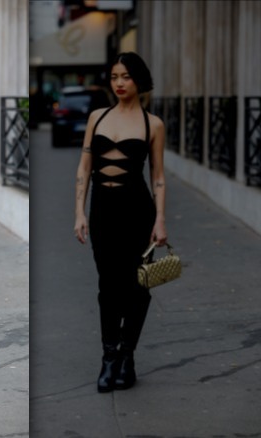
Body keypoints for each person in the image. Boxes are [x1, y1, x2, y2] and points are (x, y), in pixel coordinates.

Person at [74, 52, 167, 393]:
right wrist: (79, 212)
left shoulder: (152, 124)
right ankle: (109, 357)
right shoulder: (97, 118)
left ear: (139, 80)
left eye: (126, 76)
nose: (119, 83)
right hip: (103, 209)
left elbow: (158, 176)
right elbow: (85, 167)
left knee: (138, 286)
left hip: (137, 209)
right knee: (108, 286)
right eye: (114, 77)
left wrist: (160, 219)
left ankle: (127, 356)